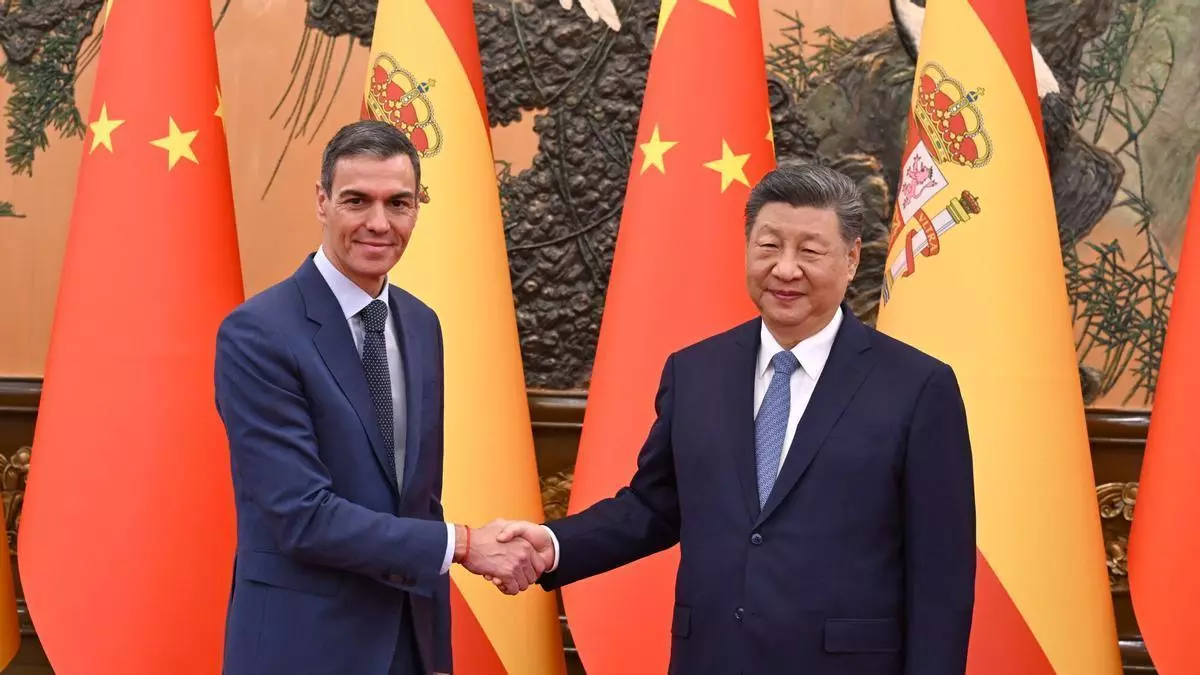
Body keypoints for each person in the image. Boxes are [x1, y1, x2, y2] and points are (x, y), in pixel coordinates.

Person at [496, 164, 976, 674]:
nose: (786, 269)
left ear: (852, 259)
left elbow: (941, 578)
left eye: (810, 251)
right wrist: (551, 545)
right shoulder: (695, 372)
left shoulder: (917, 387)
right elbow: (653, 507)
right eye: (769, 246)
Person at [213, 120, 544, 675]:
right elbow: (301, 516)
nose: (378, 223)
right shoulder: (258, 333)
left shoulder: (420, 323)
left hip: (410, 644)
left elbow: (417, 497)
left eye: (399, 203)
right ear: (321, 201)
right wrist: (463, 545)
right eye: (356, 200)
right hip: (302, 648)